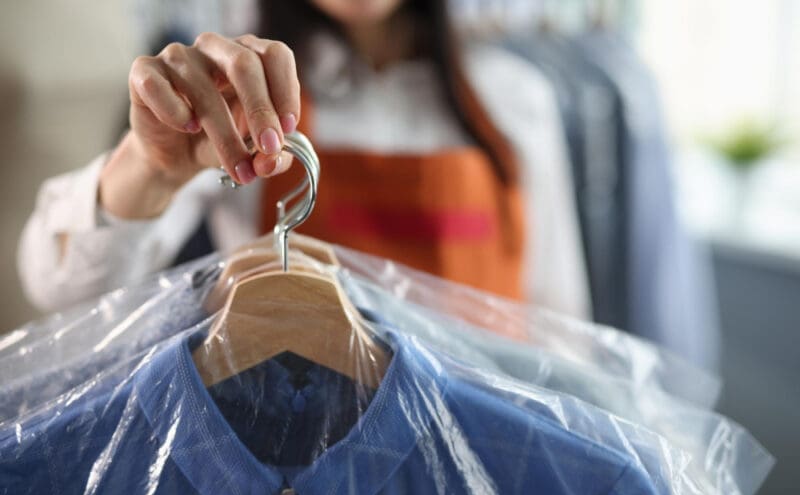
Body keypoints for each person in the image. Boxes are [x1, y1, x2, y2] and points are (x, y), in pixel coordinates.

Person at [18, 0, 588, 318]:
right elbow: (60, 291)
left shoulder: (516, 101)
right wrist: (151, 166)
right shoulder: (230, 94)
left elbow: (557, 329)